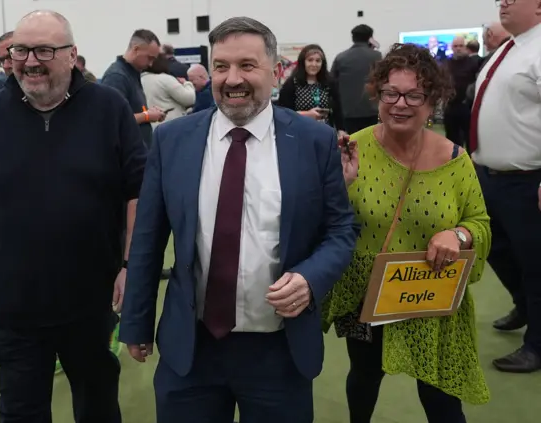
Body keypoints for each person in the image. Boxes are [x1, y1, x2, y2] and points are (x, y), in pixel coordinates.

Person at [119, 16, 358, 423]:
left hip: (278, 351)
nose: (232, 79)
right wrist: (136, 321)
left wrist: (309, 279)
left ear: (275, 70)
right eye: (221, 66)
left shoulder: (313, 142)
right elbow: (148, 237)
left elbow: (341, 230)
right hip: (191, 349)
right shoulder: (173, 140)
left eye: (247, 65)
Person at [0, 10, 146, 423]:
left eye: (44, 49)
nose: (29, 60)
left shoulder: (108, 108)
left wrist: (132, 265)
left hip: (91, 300)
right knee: (21, 410)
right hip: (13, 306)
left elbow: (136, 190)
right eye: (20, 50)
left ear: (72, 55)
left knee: (98, 406)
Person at [323, 43, 491, 423]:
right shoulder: (351, 149)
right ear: (377, 94)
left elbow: (479, 221)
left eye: (414, 94)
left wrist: (459, 236)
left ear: (433, 100)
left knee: (441, 396)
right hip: (367, 292)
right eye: (390, 93)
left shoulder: (455, 159)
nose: (400, 103)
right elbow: (325, 223)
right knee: (364, 378)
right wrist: (339, 184)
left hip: (431, 291)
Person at [472, 0, 541, 373]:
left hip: (527, 180)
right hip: (490, 177)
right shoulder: (512, 48)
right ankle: (525, 306)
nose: (504, 2)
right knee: (496, 249)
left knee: (536, 264)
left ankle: (538, 345)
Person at [277, 43, 343, 129]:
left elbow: (338, 110)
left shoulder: (329, 82)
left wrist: (341, 130)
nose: (314, 64)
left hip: (325, 131)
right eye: (310, 60)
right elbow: (283, 112)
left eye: (318, 61)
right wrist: (307, 114)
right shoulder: (292, 84)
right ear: (303, 62)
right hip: (300, 131)